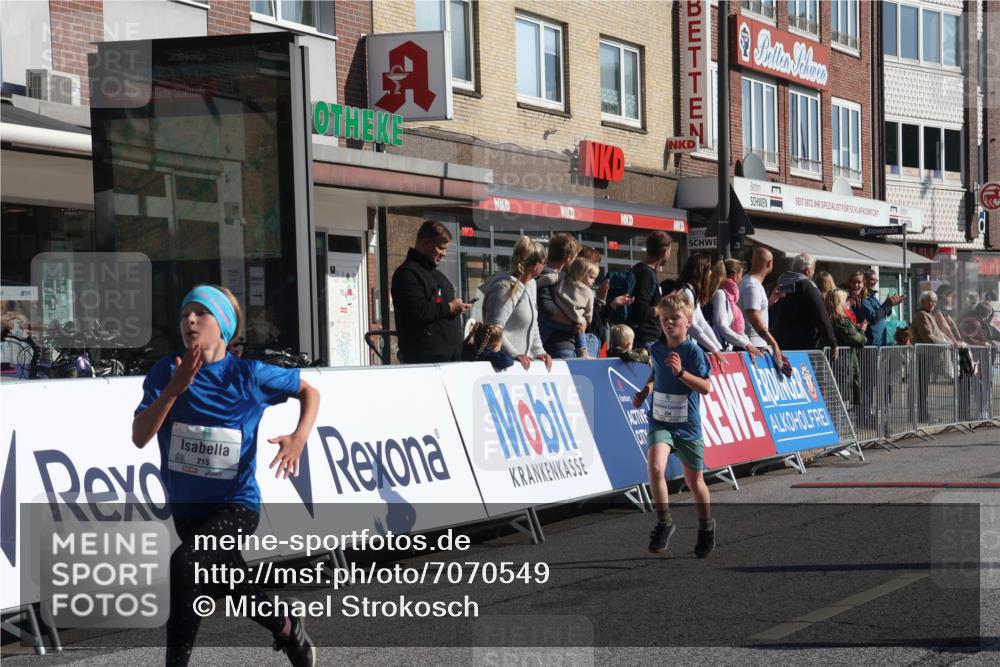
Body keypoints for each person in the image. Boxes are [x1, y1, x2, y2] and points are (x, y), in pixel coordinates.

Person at [131, 285, 321, 667]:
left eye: (201, 313)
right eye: (185, 314)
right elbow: (139, 437)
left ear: (224, 324)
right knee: (233, 586)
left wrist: (299, 438)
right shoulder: (166, 371)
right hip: (189, 510)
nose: (189, 320)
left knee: (185, 565)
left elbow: (309, 391)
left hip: (236, 505)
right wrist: (173, 390)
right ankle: (287, 628)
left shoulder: (249, 374)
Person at [631, 292, 715, 557]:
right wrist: (644, 391)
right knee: (655, 467)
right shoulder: (657, 349)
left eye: (674, 318)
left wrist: (681, 373)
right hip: (661, 420)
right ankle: (664, 522)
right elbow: (655, 374)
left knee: (694, 482)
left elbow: (706, 387)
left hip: (687, 424)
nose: (668, 323)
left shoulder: (694, 352)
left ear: (688, 321)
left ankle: (706, 527)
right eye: (664, 318)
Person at [390, 221, 469, 364]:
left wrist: (456, 308)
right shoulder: (407, 274)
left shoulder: (437, 276)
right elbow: (418, 311)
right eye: (441, 248)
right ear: (426, 243)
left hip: (449, 361)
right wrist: (449, 307)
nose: (444, 253)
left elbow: (437, 308)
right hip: (425, 363)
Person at [482, 236, 554, 371]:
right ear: (535, 265)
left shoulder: (531, 284)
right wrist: (514, 354)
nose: (545, 267)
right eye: (544, 263)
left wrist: (539, 351)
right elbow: (494, 329)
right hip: (503, 366)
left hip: (522, 366)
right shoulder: (504, 287)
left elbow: (533, 324)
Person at [770, 253, 838, 359]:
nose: (814, 272)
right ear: (807, 271)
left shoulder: (778, 283)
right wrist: (832, 342)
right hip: (803, 346)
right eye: (813, 269)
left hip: (777, 343)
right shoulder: (807, 286)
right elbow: (821, 314)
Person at [535, 257, 599, 358]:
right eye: (591, 277)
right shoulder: (589, 293)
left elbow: (549, 278)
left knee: (541, 330)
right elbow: (589, 312)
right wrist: (587, 320)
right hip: (573, 324)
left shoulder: (563, 277)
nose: (593, 281)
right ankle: (583, 352)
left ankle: (534, 349)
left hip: (553, 319)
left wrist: (535, 284)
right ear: (581, 273)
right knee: (580, 330)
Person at [912, 291, 955, 421]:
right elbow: (928, 336)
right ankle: (922, 416)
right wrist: (947, 344)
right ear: (922, 301)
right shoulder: (922, 315)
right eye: (929, 301)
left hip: (928, 355)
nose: (932, 304)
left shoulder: (928, 314)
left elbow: (938, 333)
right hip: (923, 355)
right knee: (921, 387)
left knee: (924, 387)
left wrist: (950, 341)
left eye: (934, 302)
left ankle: (924, 414)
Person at [536, 233, 581, 358]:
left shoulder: (563, 277)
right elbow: (547, 307)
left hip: (560, 343)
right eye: (575, 257)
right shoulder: (545, 275)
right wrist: (575, 323)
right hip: (556, 344)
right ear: (568, 258)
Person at [739, 247, 785, 366]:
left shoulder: (750, 283)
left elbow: (753, 311)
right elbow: (755, 319)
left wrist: (770, 301)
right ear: (769, 263)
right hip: (753, 346)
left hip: (753, 344)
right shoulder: (752, 286)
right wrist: (773, 343)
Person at [628, 231, 674, 348]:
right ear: (665, 252)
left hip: (642, 339)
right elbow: (641, 310)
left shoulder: (639, 270)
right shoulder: (646, 274)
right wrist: (662, 308)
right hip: (644, 341)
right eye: (670, 250)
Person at [708, 259, 762, 356]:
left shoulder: (729, 298)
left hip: (725, 350)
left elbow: (736, 330)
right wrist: (746, 344)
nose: (741, 279)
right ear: (735, 275)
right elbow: (722, 326)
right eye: (741, 275)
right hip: (717, 351)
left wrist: (749, 345)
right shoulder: (720, 294)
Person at [674, 253, 724, 356]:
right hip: (683, 351)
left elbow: (702, 323)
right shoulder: (686, 293)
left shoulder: (692, 292)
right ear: (701, 271)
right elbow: (691, 326)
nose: (710, 273)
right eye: (708, 269)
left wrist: (719, 347)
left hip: (690, 348)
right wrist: (714, 349)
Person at [826, 288, 867, 409]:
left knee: (836, 400)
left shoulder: (829, 318)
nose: (847, 302)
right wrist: (862, 331)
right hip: (842, 365)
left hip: (839, 364)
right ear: (839, 302)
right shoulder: (840, 320)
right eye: (845, 300)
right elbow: (859, 340)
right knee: (840, 401)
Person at [854, 270, 905, 346]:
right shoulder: (862, 299)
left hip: (880, 343)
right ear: (864, 280)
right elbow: (874, 318)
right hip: (871, 345)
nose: (875, 282)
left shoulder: (874, 298)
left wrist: (890, 304)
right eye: (872, 279)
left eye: (876, 280)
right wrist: (888, 304)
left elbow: (883, 315)